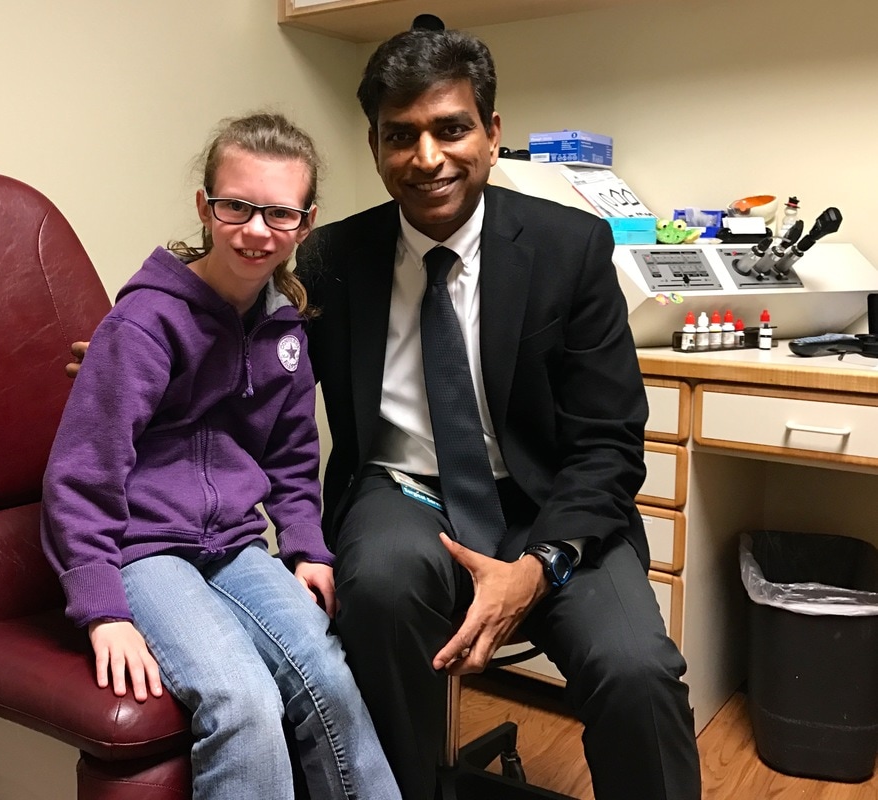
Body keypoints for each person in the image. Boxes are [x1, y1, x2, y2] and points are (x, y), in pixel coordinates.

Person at [293, 22, 703, 800]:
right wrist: (141, 346)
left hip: (553, 503)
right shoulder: (332, 259)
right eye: (399, 136)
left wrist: (538, 567)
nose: (427, 158)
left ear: (491, 131)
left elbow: (610, 445)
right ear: (374, 144)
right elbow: (246, 355)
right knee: (375, 589)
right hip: (405, 492)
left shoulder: (573, 249)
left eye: (451, 129)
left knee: (637, 670)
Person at [41, 112, 401, 800]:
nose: (257, 230)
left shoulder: (285, 329)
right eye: (237, 206)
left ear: (305, 221)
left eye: (280, 213)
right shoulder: (145, 324)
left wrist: (305, 548)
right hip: (143, 548)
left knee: (330, 678)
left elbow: (294, 458)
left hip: (235, 545)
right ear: (206, 207)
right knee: (244, 703)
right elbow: (83, 475)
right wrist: (103, 609)